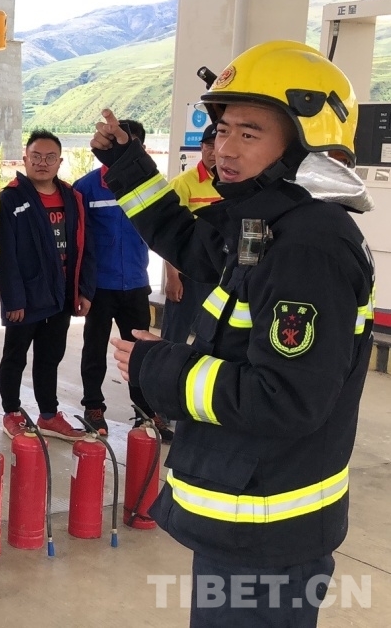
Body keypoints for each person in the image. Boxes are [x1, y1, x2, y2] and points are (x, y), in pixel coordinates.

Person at [95, 40, 372, 627]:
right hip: (251, 515)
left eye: (249, 133)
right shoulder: (270, 222)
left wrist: (157, 367)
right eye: (221, 130)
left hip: (268, 532)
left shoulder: (308, 246)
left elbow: (286, 397)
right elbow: (192, 244)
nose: (224, 147)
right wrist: (127, 165)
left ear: (305, 141)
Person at [0, 130, 96, 441]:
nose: (42, 163)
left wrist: (84, 290)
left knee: (50, 357)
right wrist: (13, 299)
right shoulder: (11, 198)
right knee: (15, 356)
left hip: (61, 293)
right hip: (27, 297)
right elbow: (6, 254)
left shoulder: (72, 197)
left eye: (50, 157)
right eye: (36, 156)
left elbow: (84, 245)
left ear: (60, 162)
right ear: (25, 159)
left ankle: (49, 415)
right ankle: (11, 413)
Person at [73, 119, 167, 439]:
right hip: (100, 287)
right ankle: (93, 407)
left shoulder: (149, 185)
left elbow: (166, 231)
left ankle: (145, 412)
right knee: (94, 349)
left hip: (137, 284)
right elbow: (78, 241)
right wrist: (79, 287)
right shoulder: (86, 188)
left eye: (134, 146)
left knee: (140, 352)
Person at [161, 123, 223, 345]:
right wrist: (172, 277)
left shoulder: (233, 184)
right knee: (175, 333)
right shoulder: (183, 183)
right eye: (209, 145)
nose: (214, 151)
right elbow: (169, 234)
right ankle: (165, 366)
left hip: (221, 272)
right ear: (201, 148)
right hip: (189, 272)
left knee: (214, 333)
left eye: (218, 145)